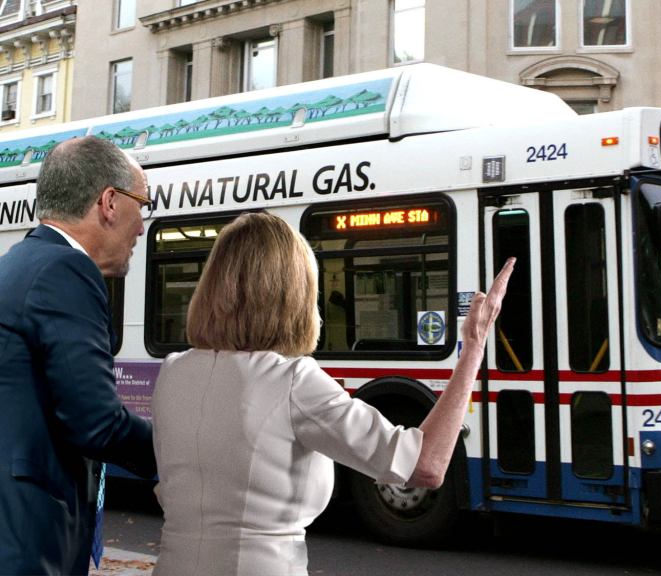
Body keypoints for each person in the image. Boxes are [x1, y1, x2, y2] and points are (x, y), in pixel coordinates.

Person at [151, 212, 513, 575]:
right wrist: (474, 345)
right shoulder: (292, 381)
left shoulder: (173, 371)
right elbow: (425, 466)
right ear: (292, 294)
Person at [0, 136, 158, 575]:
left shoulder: (21, 261)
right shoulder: (65, 271)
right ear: (109, 201)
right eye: (141, 204)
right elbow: (96, 423)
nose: (142, 225)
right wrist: (183, 451)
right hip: (28, 544)